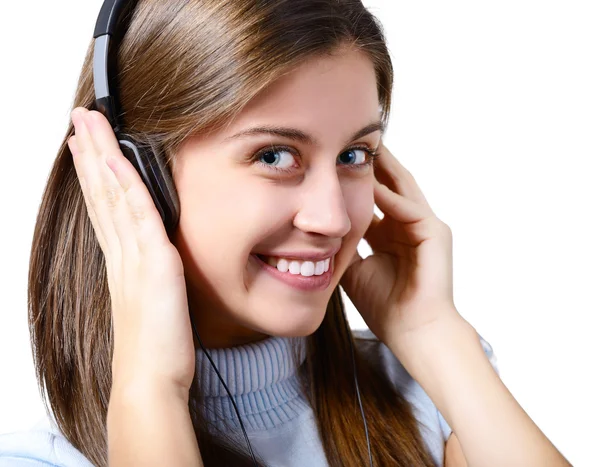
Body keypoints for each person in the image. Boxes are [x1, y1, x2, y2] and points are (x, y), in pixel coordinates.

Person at [0, 1, 571, 466]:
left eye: (354, 153)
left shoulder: (436, 394)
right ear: (139, 175)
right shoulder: (40, 460)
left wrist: (433, 334)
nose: (335, 220)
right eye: (275, 155)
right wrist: (149, 391)